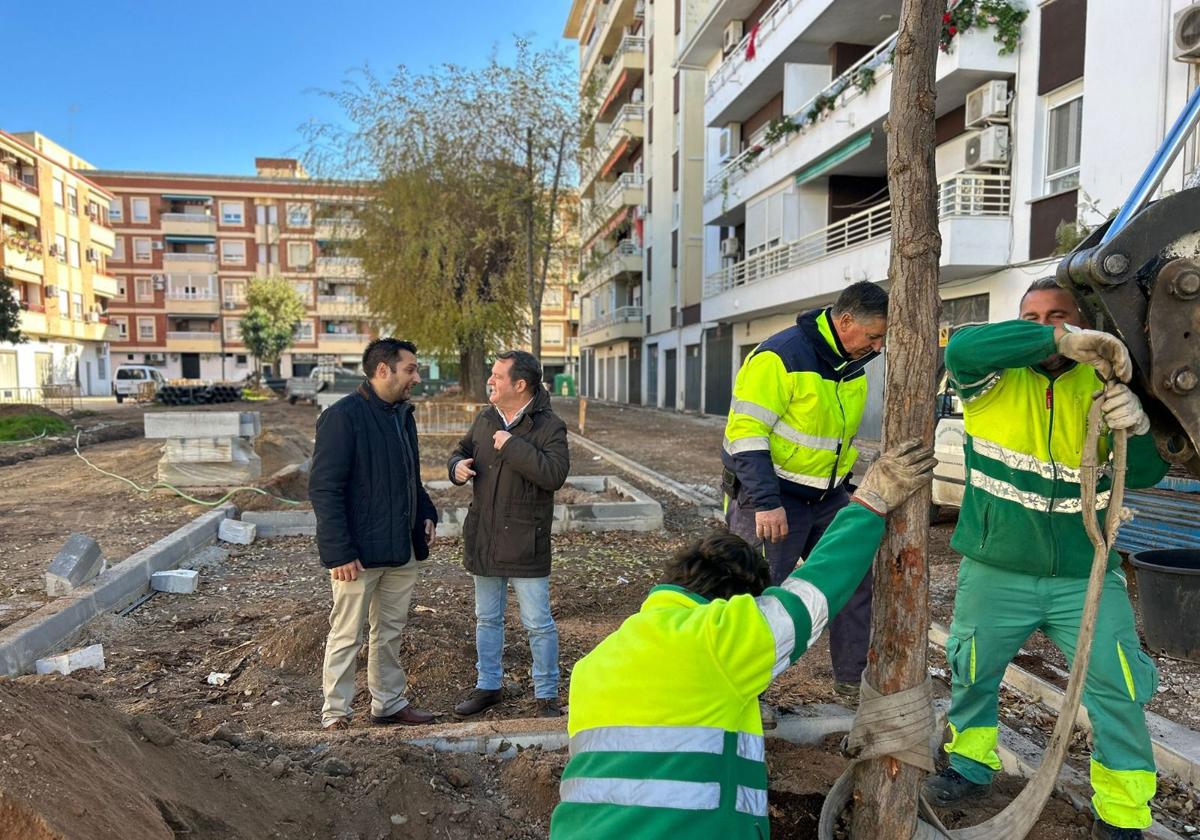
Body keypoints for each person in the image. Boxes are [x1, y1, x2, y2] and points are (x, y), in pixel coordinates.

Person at [548, 440, 936, 838]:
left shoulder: (593, 666)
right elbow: (814, 593)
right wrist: (870, 503)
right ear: (735, 601)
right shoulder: (716, 636)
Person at [923, 278, 1169, 840]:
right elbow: (961, 348)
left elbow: (1148, 473)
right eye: (1031, 317)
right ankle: (970, 767)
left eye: (1059, 315)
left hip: (1087, 574)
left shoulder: (1107, 380)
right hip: (996, 568)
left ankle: (1124, 812)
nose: (1045, 325)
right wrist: (1058, 340)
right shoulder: (988, 379)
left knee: (1119, 688)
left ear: (1084, 319)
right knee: (974, 671)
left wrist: (1139, 423)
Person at [721, 280, 888, 699]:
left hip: (828, 498)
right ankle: (745, 693)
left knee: (851, 582)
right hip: (773, 499)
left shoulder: (851, 362)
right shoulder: (780, 357)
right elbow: (745, 435)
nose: (879, 347)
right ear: (845, 321)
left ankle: (852, 683)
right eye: (874, 336)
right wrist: (766, 502)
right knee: (756, 595)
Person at [309, 338, 438, 730]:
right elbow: (324, 489)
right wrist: (339, 552)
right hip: (357, 556)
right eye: (410, 369)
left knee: (390, 633)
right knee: (347, 634)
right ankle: (336, 715)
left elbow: (408, 477)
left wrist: (427, 513)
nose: (416, 377)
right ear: (384, 370)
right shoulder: (343, 417)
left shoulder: (402, 415)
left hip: (401, 550)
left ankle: (388, 704)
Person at [448, 350, 570, 719]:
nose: (491, 381)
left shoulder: (550, 427)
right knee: (487, 618)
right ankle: (489, 686)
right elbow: (460, 451)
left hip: (524, 541)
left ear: (520, 385)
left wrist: (513, 445)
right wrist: (456, 467)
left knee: (537, 622)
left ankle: (546, 694)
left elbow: (554, 475)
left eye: (498, 376)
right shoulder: (486, 419)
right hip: (484, 536)